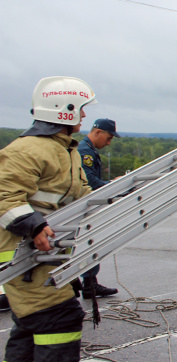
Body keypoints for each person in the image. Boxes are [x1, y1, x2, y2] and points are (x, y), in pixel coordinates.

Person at [0, 76, 96, 361]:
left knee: (29, 324)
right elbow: (5, 197)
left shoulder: (65, 150)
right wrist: (34, 225)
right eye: (80, 108)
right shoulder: (27, 150)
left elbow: (80, 195)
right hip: (23, 258)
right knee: (58, 319)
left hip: (46, 257)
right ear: (63, 109)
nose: (84, 115)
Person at [77, 118, 121, 300]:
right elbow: (90, 182)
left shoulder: (89, 149)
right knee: (86, 244)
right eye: (108, 138)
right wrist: (112, 184)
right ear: (97, 132)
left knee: (89, 243)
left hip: (85, 205)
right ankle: (88, 285)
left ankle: (89, 283)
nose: (109, 142)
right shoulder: (85, 151)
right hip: (82, 206)